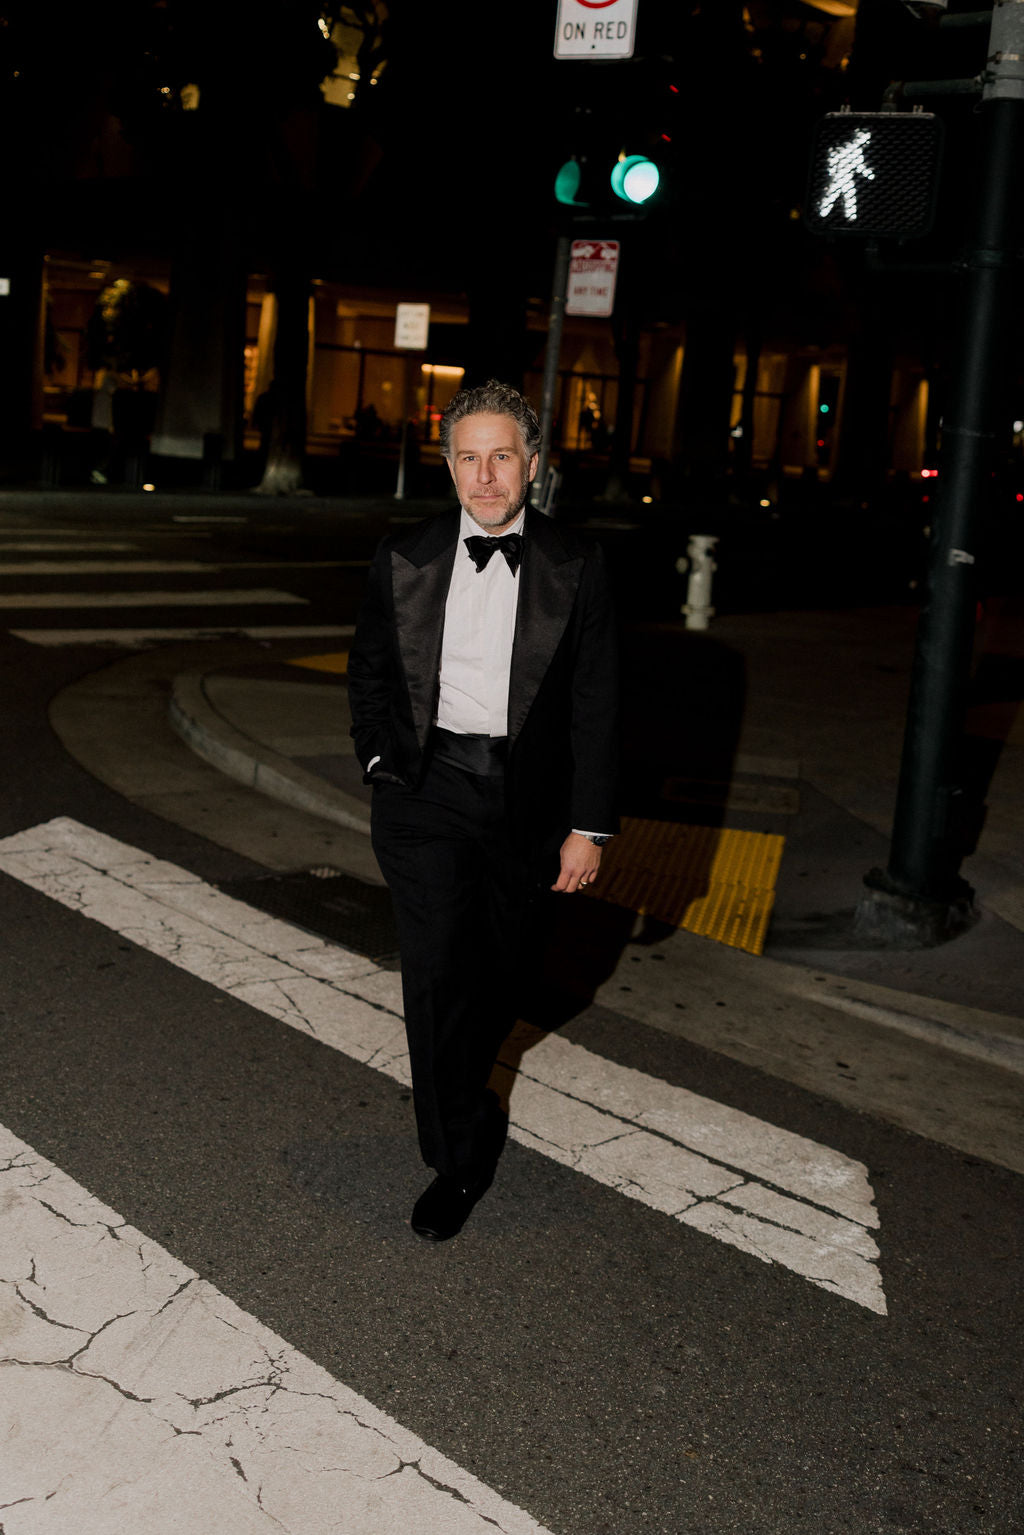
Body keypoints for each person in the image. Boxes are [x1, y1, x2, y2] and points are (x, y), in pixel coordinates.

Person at [347, 380, 619, 1241]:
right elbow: (370, 669)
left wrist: (589, 826)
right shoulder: (404, 554)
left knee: (502, 976)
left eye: (502, 455)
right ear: (450, 466)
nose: (486, 475)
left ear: (533, 464)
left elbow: (597, 703)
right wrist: (380, 760)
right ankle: (455, 1159)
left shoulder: (578, 564)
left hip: (525, 802)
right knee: (436, 975)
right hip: (424, 792)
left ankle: (472, 1088)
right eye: (469, 457)